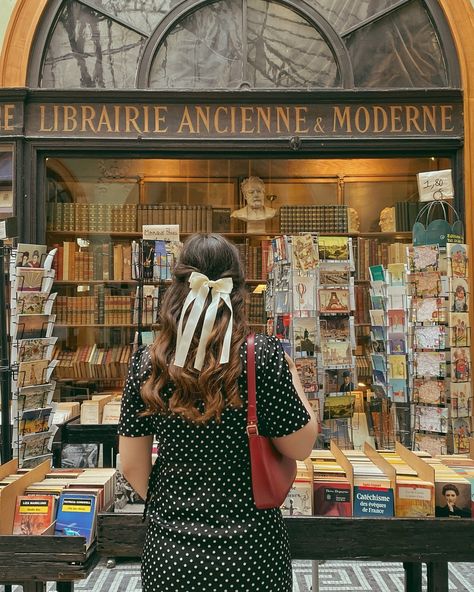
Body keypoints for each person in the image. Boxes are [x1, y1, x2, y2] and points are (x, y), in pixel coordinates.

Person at [118, 233, 318, 592]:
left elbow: (132, 465)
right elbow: (300, 446)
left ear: (177, 288)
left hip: (172, 553)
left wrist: (178, 508)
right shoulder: (263, 356)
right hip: (252, 552)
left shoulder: (148, 363)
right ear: (238, 290)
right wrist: (295, 379)